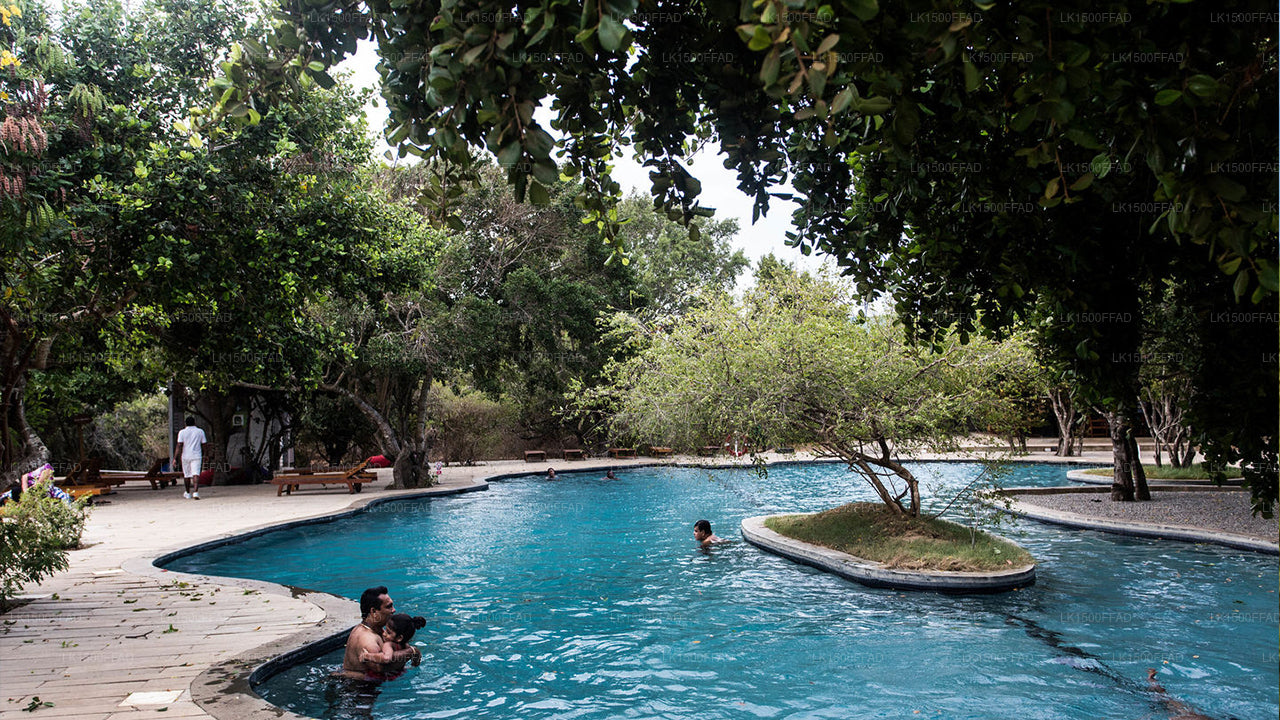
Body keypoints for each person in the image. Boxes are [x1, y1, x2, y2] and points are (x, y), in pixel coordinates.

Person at [340, 586, 421, 681]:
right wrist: (411, 652)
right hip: (360, 688)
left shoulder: (378, 630)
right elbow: (380, 668)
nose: (394, 610)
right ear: (374, 611)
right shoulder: (367, 639)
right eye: (389, 607)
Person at [358, 613, 426, 680]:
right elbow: (417, 656)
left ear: (399, 638)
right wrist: (414, 665)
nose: (384, 633)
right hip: (400, 674)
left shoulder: (388, 645)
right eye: (385, 629)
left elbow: (386, 658)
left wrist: (367, 656)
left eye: (388, 632)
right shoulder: (407, 647)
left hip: (385, 677)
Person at [175, 416, 208, 500]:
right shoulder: (200, 431)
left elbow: (179, 445)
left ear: (185, 423)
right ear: (195, 422)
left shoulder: (182, 432)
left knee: (186, 475)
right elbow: (204, 444)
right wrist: (205, 455)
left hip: (185, 456)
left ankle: (188, 493)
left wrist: (175, 458)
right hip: (197, 455)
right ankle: (196, 492)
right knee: (196, 474)